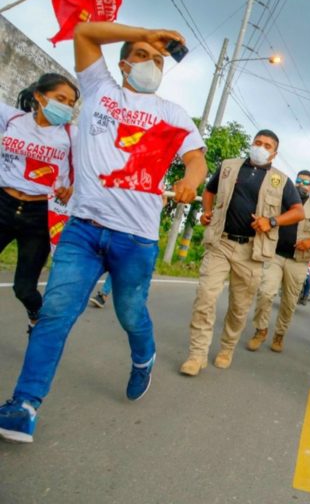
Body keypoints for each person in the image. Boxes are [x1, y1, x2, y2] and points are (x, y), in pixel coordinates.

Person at [0, 22, 208, 443]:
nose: (151, 64)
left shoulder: (172, 113)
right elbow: (84, 34)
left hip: (136, 239)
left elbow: (196, 160)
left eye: (158, 60)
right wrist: (149, 32)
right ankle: (24, 404)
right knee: (56, 314)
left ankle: (143, 356)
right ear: (123, 62)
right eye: (143, 55)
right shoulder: (99, 89)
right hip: (83, 232)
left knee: (130, 313)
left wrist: (191, 181)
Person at [179, 130, 304, 376]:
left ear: (274, 153)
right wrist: (207, 211)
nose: (261, 147)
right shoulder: (229, 167)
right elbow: (209, 192)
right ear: (251, 144)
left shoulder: (282, 181)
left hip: (252, 251)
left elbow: (298, 211)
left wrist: (272, 221)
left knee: (239, 307)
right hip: (221, 243)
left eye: (267, 145)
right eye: (257, 143)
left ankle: (227, 348)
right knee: (205, 296)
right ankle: (197, 354)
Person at [1, 73, 79, 333]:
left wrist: (74, 187)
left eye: (70, 103)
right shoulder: (12, 119)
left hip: (40, 215)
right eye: (60, 99)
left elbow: (95, 165)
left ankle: (35, 312)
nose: (66, 106)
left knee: (24, 288)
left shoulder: (72, 134)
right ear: (39, 96)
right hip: (3, 203)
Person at [247, 170, 310, 353]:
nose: (301, 184)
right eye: (298, 181)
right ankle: (260, 330)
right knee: (265, 292)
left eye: (306, 182)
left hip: (299, 262)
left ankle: (279, 335)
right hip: (275, 255)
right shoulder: (282, 201)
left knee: (289, 302)